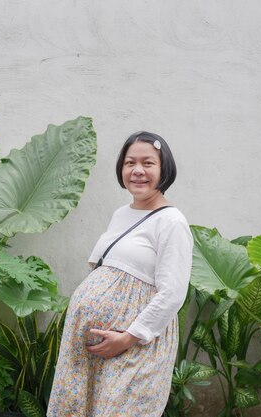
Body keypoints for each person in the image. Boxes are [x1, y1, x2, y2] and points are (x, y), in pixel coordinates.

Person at [47, 131, 194, 417]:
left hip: (135, 345)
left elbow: (173, 293)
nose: (137, 170)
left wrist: (127, 337)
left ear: (164, 168)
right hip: (92, 348)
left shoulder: (172, 222)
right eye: (130, 163)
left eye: (148, 163)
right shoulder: (121, 214)